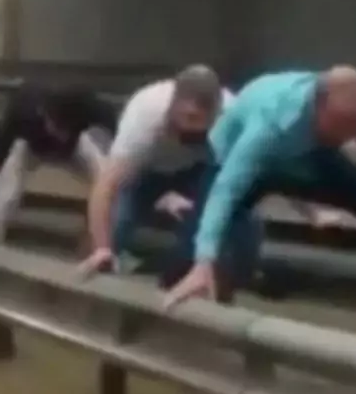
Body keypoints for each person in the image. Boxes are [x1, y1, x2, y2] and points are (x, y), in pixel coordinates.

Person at [160, 66, 356, 351]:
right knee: (204, 230)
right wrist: (205, 259)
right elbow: (227, 189)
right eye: (339, 126)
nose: (346, 136)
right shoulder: (271, 123)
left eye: (353, 128)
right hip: (239, 155)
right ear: (317, 105)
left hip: (306, 154)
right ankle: (172, 294)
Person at [78, 66, 266, 295]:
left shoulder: (233, 112)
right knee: (118, 219)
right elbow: (105, 186)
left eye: (203, 124)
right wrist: (102, 247)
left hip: (194, 171)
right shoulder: (145, 113)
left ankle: (229, 279)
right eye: (187, 119)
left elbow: (254, 173)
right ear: (173, 104)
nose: (193, 129)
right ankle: (91, 275)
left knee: (243, 214)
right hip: (146, 169)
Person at [0, 86, 119, 242]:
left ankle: (105, 244)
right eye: (57, 128)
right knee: (8, 192)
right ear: (43, 114)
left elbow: (121, 140)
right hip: (31, 148)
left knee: (105, 174)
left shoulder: (93, 108)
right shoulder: (22, 109)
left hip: (76, 148)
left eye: (66, 129)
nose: (61, 136)